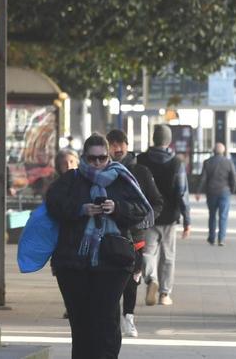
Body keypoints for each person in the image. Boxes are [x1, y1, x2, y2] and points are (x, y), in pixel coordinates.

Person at [45, 134, 151, 359]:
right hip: (74, 261)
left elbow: (141, 210)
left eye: (101, 158)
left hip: (113, 260)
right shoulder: (72, 179)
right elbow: (53, 204)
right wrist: (81, 209)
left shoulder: (122, 178)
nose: (97, 163)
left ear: (108, 156)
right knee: (81, 322)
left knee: (106, 319)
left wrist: (117, 208)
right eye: (92, 159)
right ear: (84, 157)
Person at [105, 130, 162, 338]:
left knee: (131, 280)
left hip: (135, 236)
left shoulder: (141, 172)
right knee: (110, 281)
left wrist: (146, 219)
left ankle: (128, 317)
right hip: (108, 236)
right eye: (113, 144)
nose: (117, 148)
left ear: (127, 145)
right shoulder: (102, 172)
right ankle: (112, 320)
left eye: (121, 143)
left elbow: (156, 202)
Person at [136, 124, 190, 307]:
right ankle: (164, 294)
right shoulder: (176, 163)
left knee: (147, 252)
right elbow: (182, 192)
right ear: (169, 141)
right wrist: (187, 220)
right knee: (168, 256)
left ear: (153, 139)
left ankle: (151, 278)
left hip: (147, 216)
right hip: (169, 217)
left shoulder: (141, 160)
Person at [195, 142, 236, 246]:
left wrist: (198, 191)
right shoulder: (228, 162)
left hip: (211, 192)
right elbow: (234, 178)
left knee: (212, 215)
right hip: (224, 192)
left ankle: (212, 238)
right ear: (223, 151)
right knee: (223, 216)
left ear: (213, 151)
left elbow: (203, 178)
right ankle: (221, 239)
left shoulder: (207, 162)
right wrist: (232, 190)